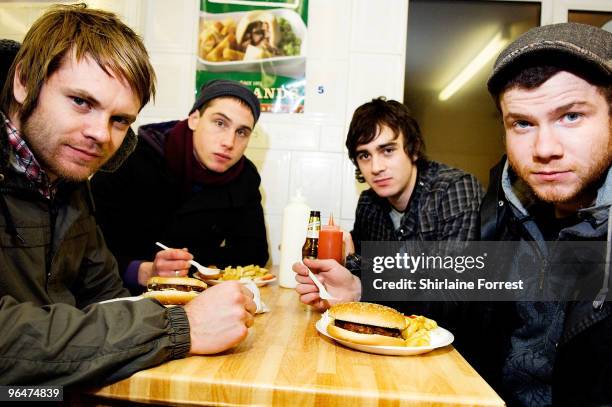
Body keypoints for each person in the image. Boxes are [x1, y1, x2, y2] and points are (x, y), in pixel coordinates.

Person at [0, 4, 255, 386]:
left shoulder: (67, 174)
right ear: (24, 81)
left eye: (120, 120)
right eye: (81, 101)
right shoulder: (107, 162)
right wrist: (177, 327)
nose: (101, 135)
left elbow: (105, 292)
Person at [475, 22, 611, 406]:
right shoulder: (505, 204)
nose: (544, 148)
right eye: (522, 123)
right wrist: (363, 282)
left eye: (571, 116)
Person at [293, 97, 483, 311]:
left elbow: (453, 292)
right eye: (364, 155)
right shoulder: (368, 203)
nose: (375, 167)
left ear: (413, 149)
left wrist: (359, 280)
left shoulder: (453, 188)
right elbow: (357, 275)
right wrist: (335, 278)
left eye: (388, 150)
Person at [90, 79, 269, 292]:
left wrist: (189, 260)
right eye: (220, 123)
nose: (229, 142)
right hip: (117, 294)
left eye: (242, 132)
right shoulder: (130, 158)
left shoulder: (244, 176)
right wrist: (143, 270)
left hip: (196, 295)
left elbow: (254, 254)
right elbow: (86, 250)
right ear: (194, 119)